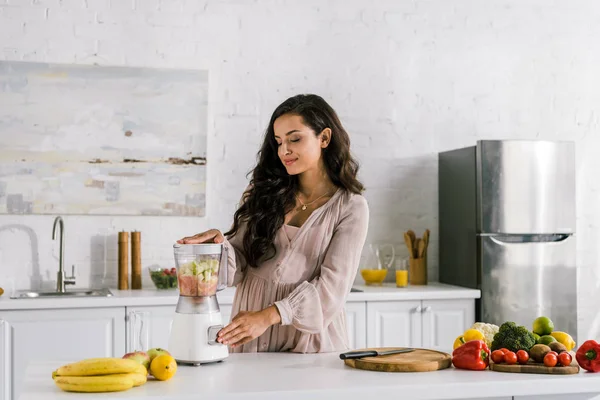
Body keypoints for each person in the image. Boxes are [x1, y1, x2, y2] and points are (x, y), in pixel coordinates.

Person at [177, 94, 369, 353]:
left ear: (324, 138)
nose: (284, 151)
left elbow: (332, 288)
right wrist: (219, 246)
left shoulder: (350, 207)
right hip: (250, 328)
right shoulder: (262, 191)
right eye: (278, 142)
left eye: (295, 139)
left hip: (308, 338)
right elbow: (241, 259)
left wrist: (268, 317)